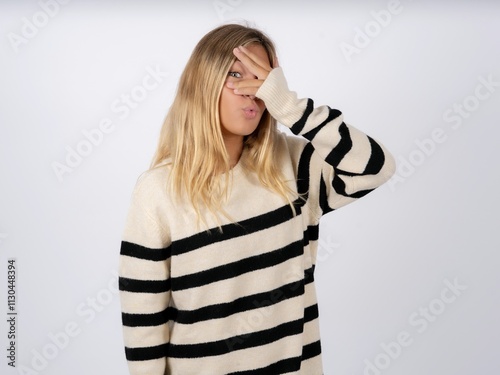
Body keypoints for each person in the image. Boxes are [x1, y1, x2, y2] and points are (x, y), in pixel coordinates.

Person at [118, 23, 396, 375]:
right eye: (236, 74)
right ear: (204, 82)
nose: (253, 91)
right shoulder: (158, 192)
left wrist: (289, 106)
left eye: (263, 78)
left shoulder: (294, 167)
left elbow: (376, 167)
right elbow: (143, 326)